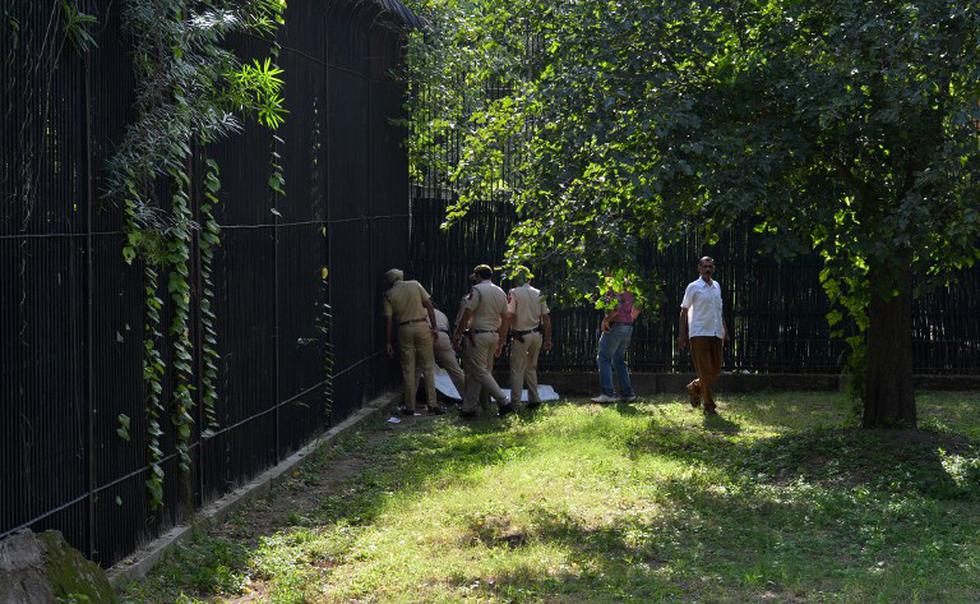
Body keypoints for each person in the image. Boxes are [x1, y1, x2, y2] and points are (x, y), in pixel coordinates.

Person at [452, 264, 514, 418]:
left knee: (479, 371)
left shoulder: (477, 290)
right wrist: (502, 339)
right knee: (477, 373)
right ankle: (468, 408)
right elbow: (506, 318)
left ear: (478, 276)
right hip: (493, 335)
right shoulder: (500, 291)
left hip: (478, 336)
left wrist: (458, 333)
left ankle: (504, 401)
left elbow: (467, 313)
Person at [383, 268, 443, 416]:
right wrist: (434, 327)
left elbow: (389, 321)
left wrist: (388, 342)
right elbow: (429, 306)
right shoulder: (415, 285)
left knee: (408, 369)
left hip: (403, 329)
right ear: (401, 276)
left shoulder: (388, 295)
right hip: (421, 325)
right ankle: (433, 405)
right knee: (428, 366)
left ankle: (410, 406)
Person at [676, 256, 728, 415]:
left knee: (716, 369)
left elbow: (719, 311)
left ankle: (694, 386)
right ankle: (709, 405)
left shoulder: (717, 286)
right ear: (699, 268)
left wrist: (724, 330)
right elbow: (684, 311)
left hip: (716, 332)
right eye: (705, 266)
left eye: (710, 266)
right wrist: (682, 335)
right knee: (705, 370)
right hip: (699, 333)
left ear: (714, 268)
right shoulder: (693, 287)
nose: (707, 269)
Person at [506, 266, 552, 408]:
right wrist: (548, 339)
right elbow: (546, 319)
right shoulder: (539, 293)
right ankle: (534, 399)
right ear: (530, 278)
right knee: (531, 368)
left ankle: (515, 403)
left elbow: (510, 314)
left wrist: (506, 333)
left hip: (520, 336)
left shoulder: (514, 293)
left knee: (517, 370)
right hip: (536, 335)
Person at [591, 282, 640, 403]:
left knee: (603, 358)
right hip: (628, 327)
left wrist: (605, 320)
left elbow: (616, 309)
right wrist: (629, 317)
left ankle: (608, 394)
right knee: (618, 359)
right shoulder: (631, 288)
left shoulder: (613, 289)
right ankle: (627, 393)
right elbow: (638, 307)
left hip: (616, 326)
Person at [431, 304, 466, 400]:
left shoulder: (421, 311)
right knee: (455, 370)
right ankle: (468, 398)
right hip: (443, 336)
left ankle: (428, 402)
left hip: (427, 335)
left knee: (424, 369)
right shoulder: (442, 315)